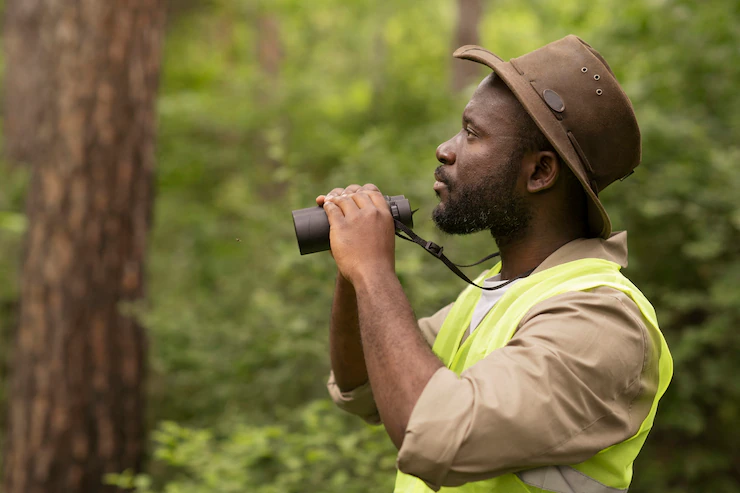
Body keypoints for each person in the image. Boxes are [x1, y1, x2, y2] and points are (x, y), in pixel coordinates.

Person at [317, 35, 673, 493]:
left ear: (540, 172)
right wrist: (352, 272)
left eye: (472, 133)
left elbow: (434, 433)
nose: (445, 150)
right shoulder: (493, 293)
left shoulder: (600, 319)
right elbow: (363, 384)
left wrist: (372, 269)